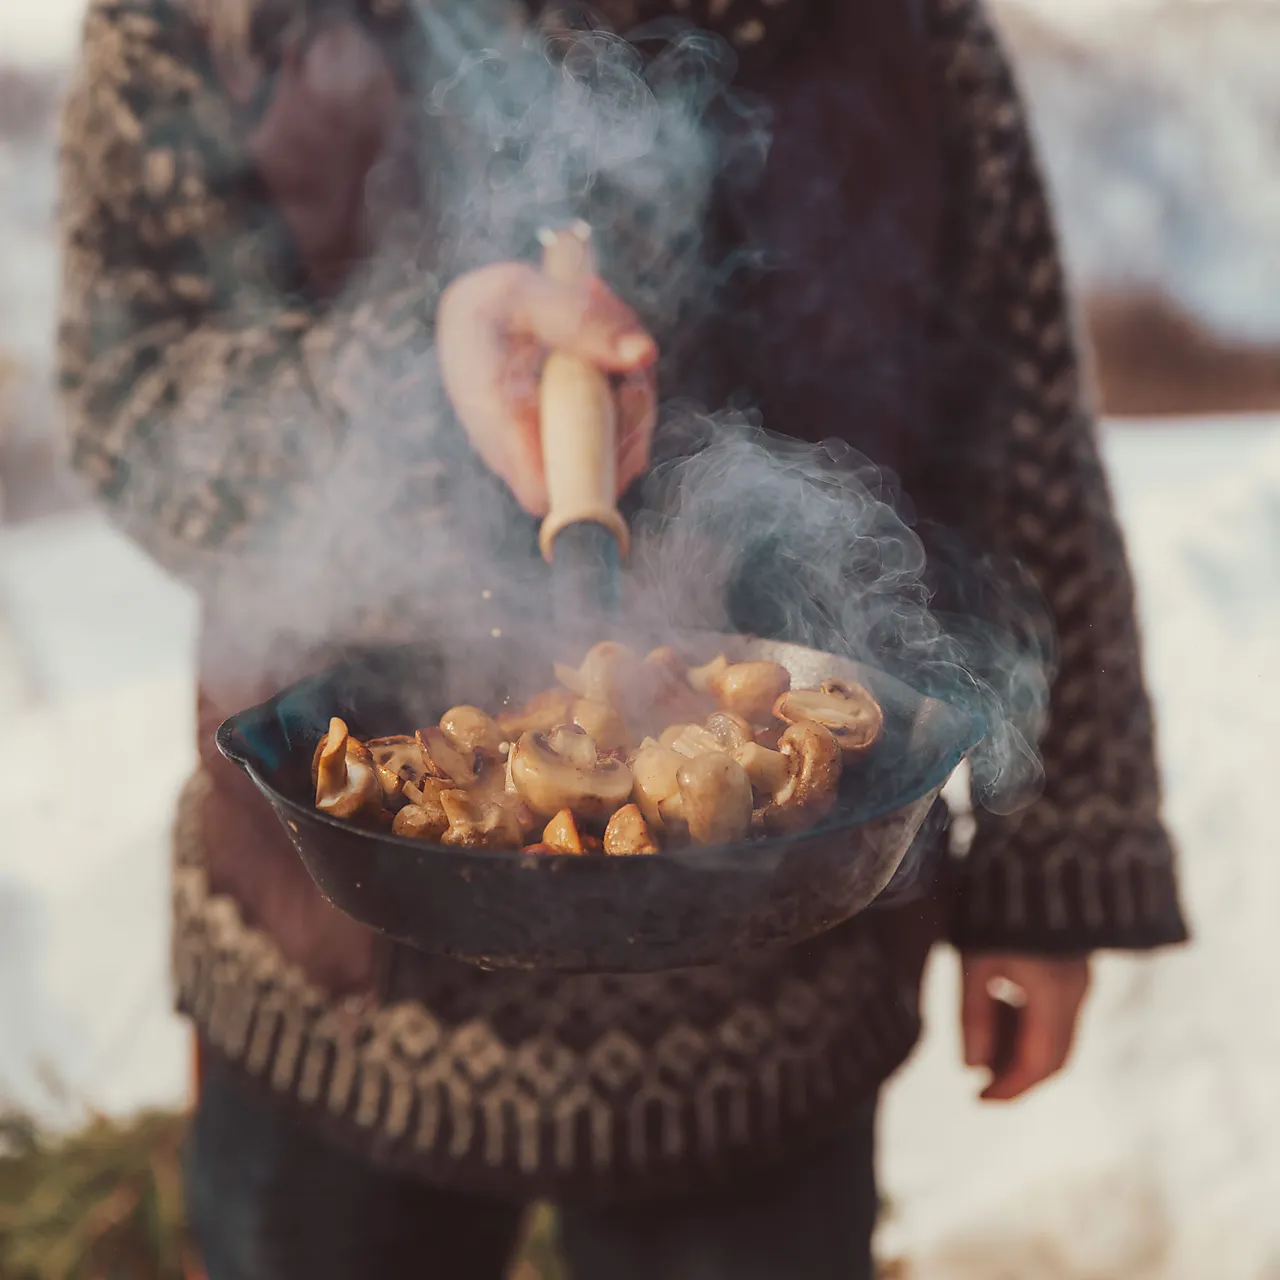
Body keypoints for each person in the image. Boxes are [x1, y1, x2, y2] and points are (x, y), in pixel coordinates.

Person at [56, 0, 1189, 1276]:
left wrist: (1049, 873)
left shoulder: (906, 30)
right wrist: (410, 382)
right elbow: (129, 406)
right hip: (337, 972)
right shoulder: (210, 20)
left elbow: (1016, 433)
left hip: (769, 1008)